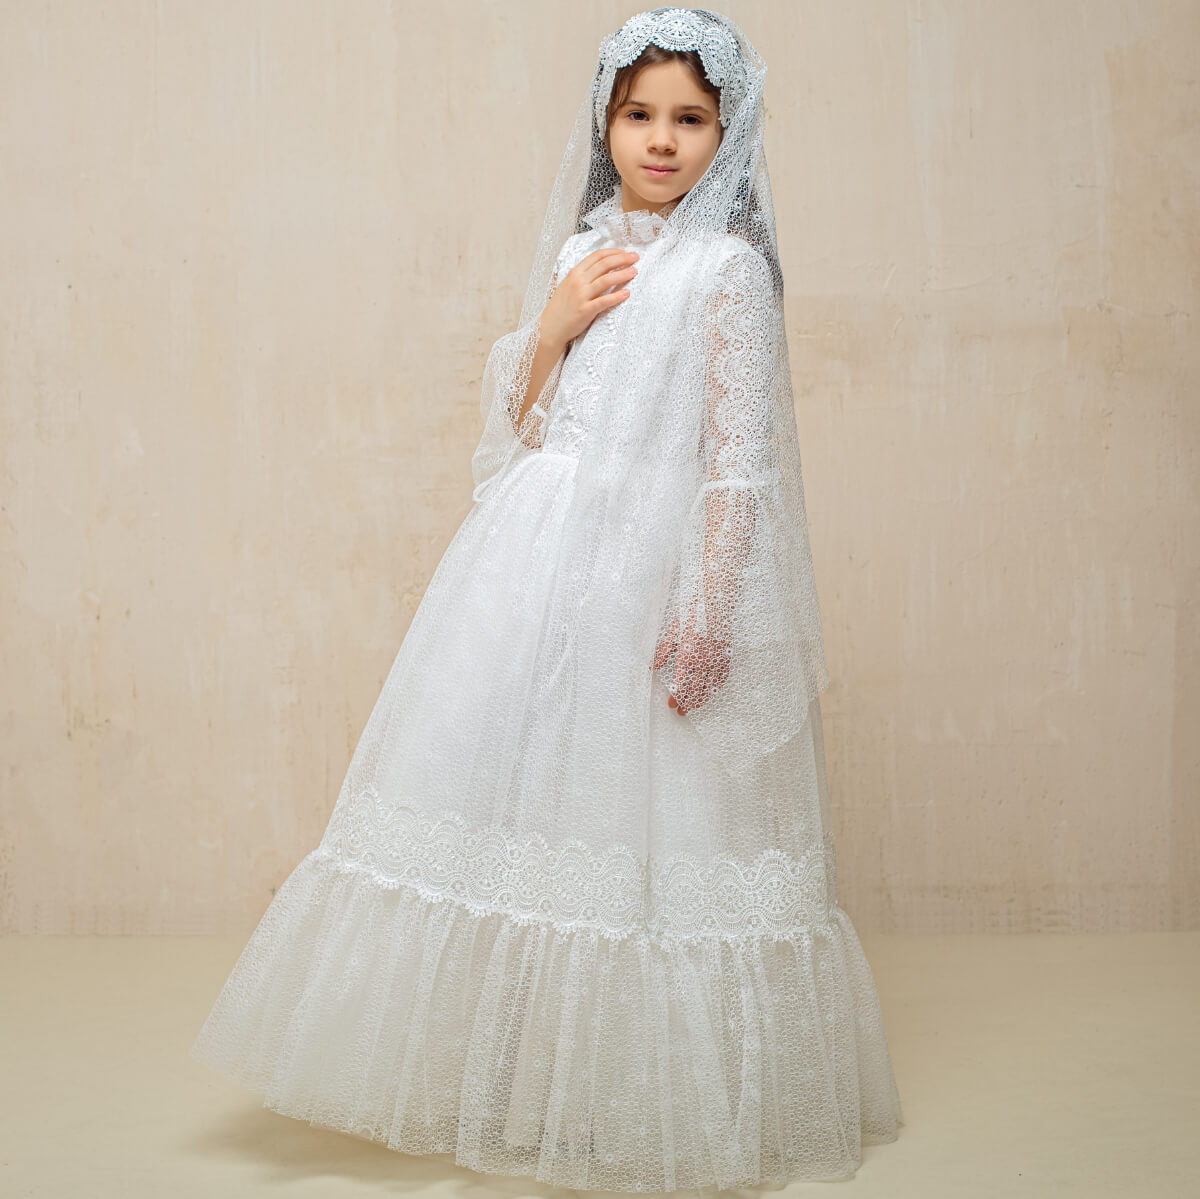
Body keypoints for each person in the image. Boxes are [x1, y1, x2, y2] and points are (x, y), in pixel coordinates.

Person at [190, 7, 904, 1192]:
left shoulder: (727, 272)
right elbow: (523, 423)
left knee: (645, 832)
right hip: (538, 568)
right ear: (605, 125)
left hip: (650, 573)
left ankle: (636, 1099)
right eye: (639, 115)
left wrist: (711, 606)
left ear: (729, 132)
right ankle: (533, 1082)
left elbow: (740, 463)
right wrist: (557, 323)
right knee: (526, 811)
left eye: (689, 118)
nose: (660, 140)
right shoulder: (585, 252)